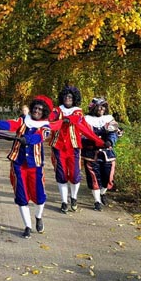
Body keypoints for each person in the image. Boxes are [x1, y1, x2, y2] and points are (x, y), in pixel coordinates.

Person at [0, 95, 54, 239]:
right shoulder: (23, 120)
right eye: (35, 108)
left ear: (44, 112)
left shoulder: (45, 126)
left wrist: (28, 139)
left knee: (39, 196)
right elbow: (11, 124)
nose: (37, 111)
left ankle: (38, 217)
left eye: (40, 109)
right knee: (21, 196)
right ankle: (27, 226)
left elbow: (40, 137)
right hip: (18, 163)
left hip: (35, 165)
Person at [48, 85, 103, 214]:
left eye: (71, 97)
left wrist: (99, 141)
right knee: (61, 175)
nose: (68, 98)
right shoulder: (57, 110)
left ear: (74, 99)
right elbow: (50, 118)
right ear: (62, 97)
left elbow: (77, 120)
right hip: (58, 147)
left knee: (74, 175)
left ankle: (73, 198)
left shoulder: (78, 111)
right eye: (66, 96)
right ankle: (64, 202)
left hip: (73, 148)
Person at [82, 98, 120, 211]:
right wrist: (88, 141)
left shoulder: (109, 119)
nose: (101, 109)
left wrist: (110, 141)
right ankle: (97, 201)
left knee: (108, 177)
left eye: (103, 106)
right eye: (98, 106)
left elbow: (114, 133)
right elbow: (81, 134)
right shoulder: (86, 120)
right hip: (91, 153)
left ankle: (103, 193)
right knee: (94, 177)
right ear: (93, 108)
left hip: (107, 153)